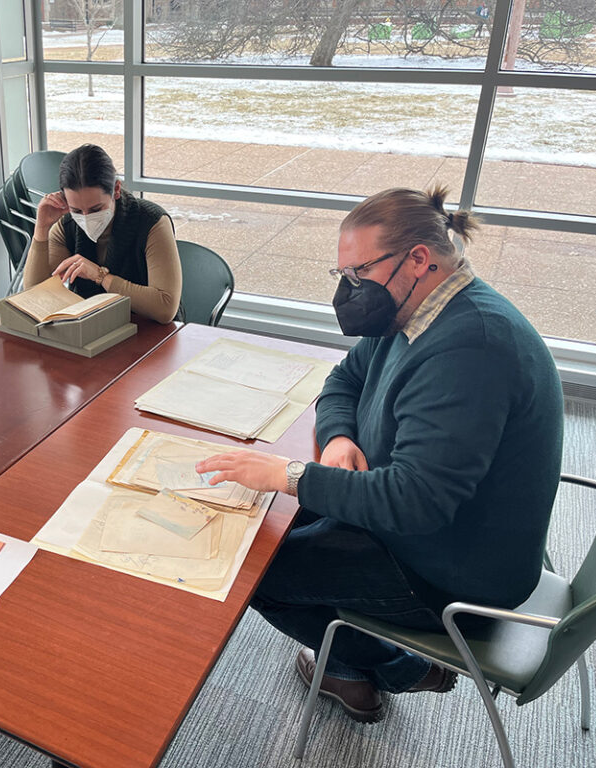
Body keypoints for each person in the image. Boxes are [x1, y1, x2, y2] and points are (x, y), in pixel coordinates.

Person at [197, 187, 563, 723]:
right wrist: (341, 437)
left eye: (359, 273)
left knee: (254, 573)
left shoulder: (471, 350)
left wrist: (290, 473)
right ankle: (353, 662)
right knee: (268, 529)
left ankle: (401, 668)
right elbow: (344, 378)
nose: (350, 291)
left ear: (418, 259)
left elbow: (415, 503)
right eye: (343, 276)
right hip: (424, 525)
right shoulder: (416, 312)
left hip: (455, 571)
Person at [24, 143, 182, 324]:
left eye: (96, 209)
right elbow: (34, 296)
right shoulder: (67, 224)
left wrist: (100, 276)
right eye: (76, 210)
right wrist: (41, 229)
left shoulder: (151, 221)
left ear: (116, 190)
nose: (85, 218)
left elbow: (165, 308)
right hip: (93, 329)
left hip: (151, 334)